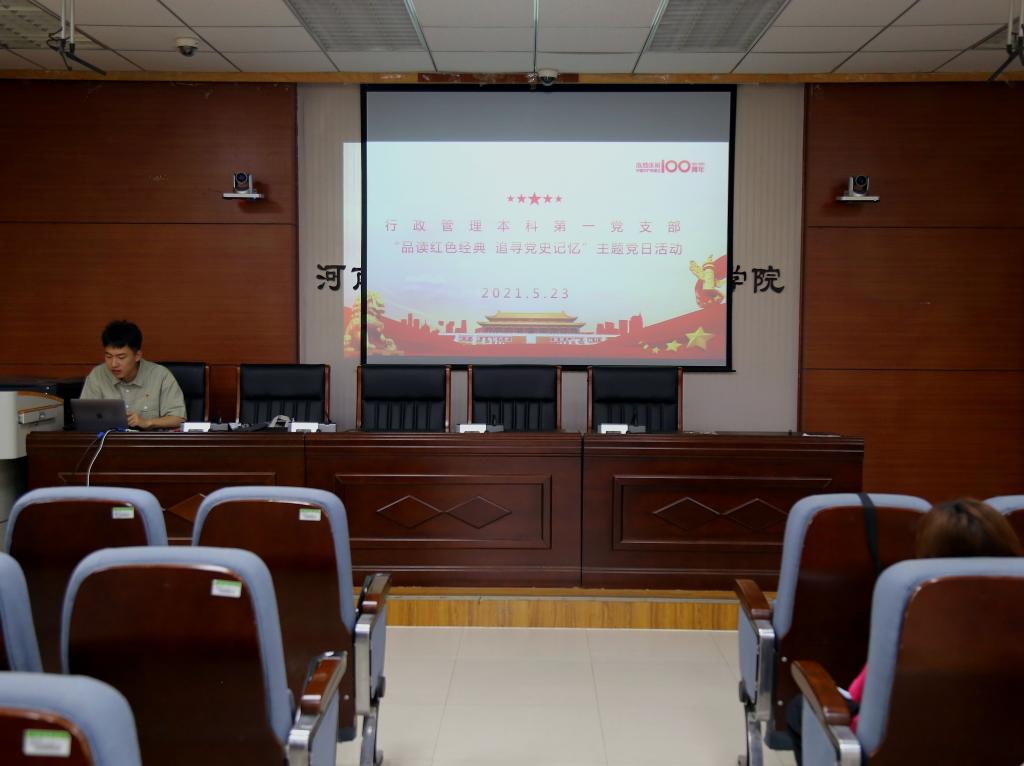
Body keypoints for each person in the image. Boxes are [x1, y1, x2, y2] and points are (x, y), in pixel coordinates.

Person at [788, 497, 1022, 763]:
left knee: (801, 708)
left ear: (929, 551)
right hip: (1006, 749)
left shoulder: (912, 599)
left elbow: (860, 694)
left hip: (899, 751)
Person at [80, 320, 186, 430]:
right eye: (108, 356)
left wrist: (147, 422)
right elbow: (84, 416)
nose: (113, 364)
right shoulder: (97, 375)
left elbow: (178, 418)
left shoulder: (161, 375)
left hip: (149, 440)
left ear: (137, 356)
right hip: (109, 439)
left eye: (121, 357)